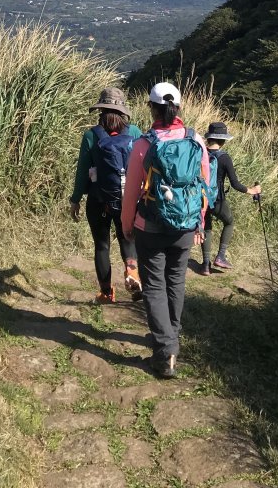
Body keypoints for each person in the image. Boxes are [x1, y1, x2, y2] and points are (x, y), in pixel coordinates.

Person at [121, 82, 210, 379]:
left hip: (151, 227)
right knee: (176, 282)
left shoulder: (143, 145)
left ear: (151, 108)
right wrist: (199, 221)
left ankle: (165, 350)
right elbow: (203, 188)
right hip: (185, 226)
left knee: (155, 287)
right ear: (179, 108)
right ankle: (170, 337)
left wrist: (127, 226)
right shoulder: (196, 140)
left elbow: (131, 191)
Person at [69, 87, 143, 303]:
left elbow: (82, 170)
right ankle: (132, 271)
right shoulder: (135, 133)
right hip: (128, 200)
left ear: (100, 109)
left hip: (98, 199)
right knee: (127, 239)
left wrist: (75, 200)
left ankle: (106, 293)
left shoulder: (91, 135)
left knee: (102, 245)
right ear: (122, 111)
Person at [201, 121, 261, 275]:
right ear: (223, 140)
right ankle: (220, 256)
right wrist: (252, 190)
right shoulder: (224, 158)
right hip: (217, 200)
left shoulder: (201, 154)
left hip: (201, 199)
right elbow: (235, 184)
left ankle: (205, 265)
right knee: (229, 222)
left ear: (209, 138)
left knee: (206, 228)